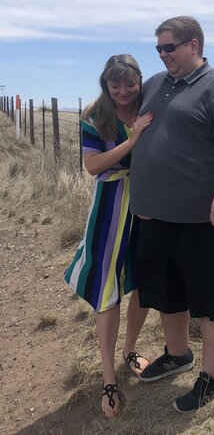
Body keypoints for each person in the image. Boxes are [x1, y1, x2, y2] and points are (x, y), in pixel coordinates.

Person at [129, 16, 214, 413]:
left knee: (211, 297)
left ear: (194, 45)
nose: (163, 55)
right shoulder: (155, 84)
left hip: (207, 218)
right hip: (156, 215)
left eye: (169, 47)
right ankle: (177, 354)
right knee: (168, 291)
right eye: (158, 49)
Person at [64, 55, 154, 419]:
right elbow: (93, 166)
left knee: (143, 281)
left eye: (130, 83)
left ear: (139, 81)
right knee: (107, 290)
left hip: (148, 204)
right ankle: (109, 378)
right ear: (105, 84)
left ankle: (129, 350)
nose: (123, 91)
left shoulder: (150, 107)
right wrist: (134, 139)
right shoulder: (94, 116)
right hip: (110, 209)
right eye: (115, 84)